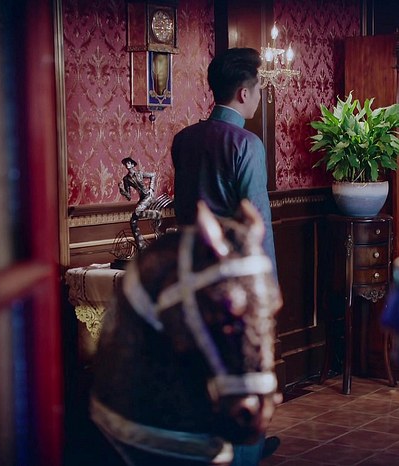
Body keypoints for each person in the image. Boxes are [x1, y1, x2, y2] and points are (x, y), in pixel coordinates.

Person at [170, 47, 279, 464]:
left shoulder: (184, 140)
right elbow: (257, 224)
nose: (258, 99)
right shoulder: (246, 144)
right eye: (258, 91)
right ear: (243, 93)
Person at [119, 157, 157, 249]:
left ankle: (155, 215)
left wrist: (151, 189)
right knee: (132, 220)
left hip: (148, 196)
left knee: (137, 211)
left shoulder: (139, 173)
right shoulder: (126, 179)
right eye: (125, 163)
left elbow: (153, 174)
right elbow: (129, 197)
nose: (127, 164)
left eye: (128, 163)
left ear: (132, 164)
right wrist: (121, 189)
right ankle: (140, 243)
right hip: (142, 198)